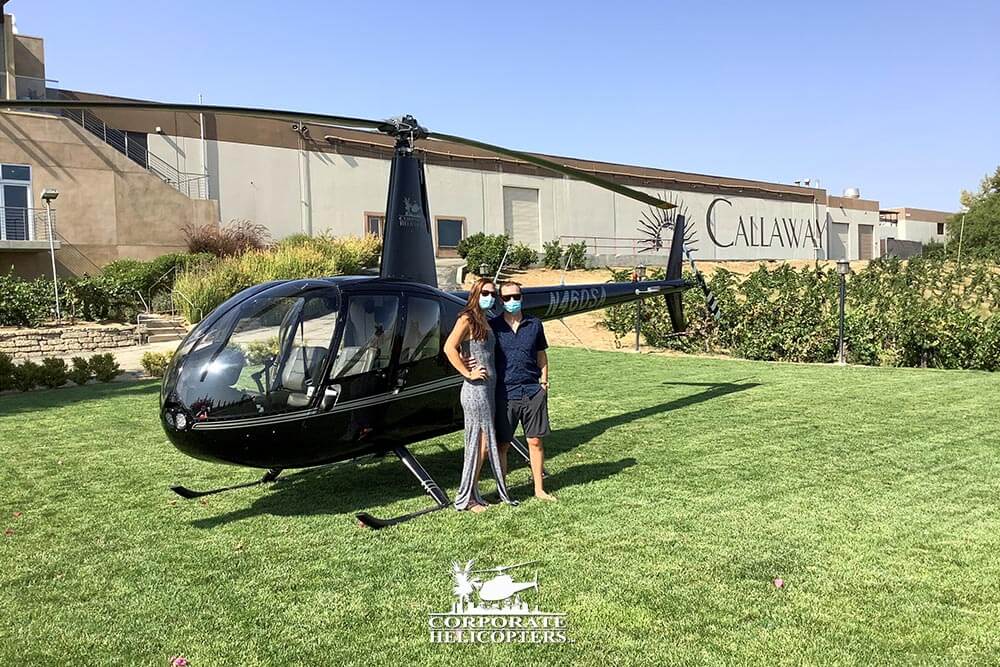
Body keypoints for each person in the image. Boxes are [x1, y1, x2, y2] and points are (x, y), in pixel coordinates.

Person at [443, 278, 517, 512]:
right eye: (485, 292)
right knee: (477, 445)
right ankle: (465, 499)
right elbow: (449, 347)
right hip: (475, 391)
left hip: (489, 390)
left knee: (482, 444)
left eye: (493, 294)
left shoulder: (483, 319)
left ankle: (472, 493)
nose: (490, 297)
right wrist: (468, 372)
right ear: (475, 293)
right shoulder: (466, 318)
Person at [489, 281, 556, 501]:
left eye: (515, 297)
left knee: (535, 441)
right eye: (506, 298)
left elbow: (541, 355)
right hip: (505, 392)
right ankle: (502, 490)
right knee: (502, 444)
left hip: (531, 390)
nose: (512, 301)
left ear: (522, 297)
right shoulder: (493, 326)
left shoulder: (534, 324)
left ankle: (539, 489)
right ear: (500, 301)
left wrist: (544, 383)